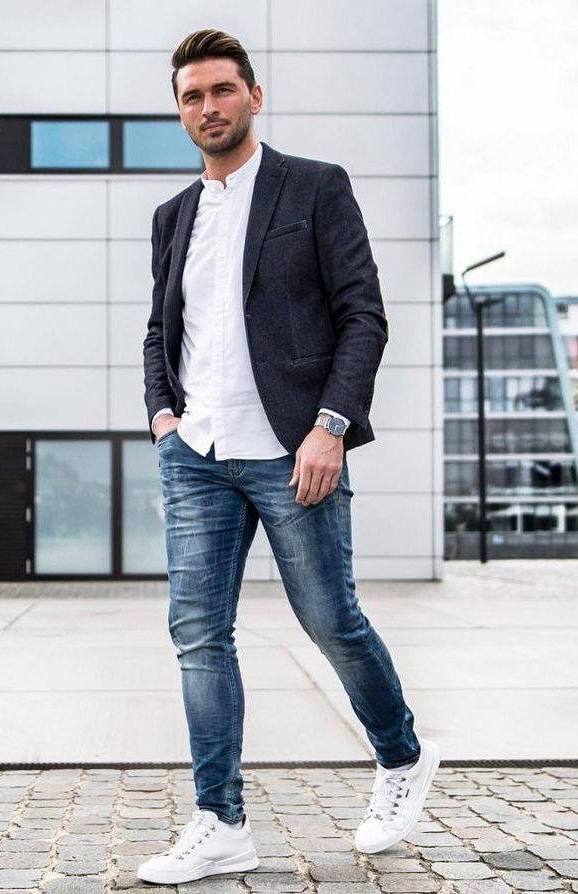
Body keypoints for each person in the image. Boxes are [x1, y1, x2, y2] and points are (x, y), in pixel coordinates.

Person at [138, 27, 440, 887]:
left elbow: (362, 314)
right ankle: (221, 821)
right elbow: (163, 331)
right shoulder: (174, 217)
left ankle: (402, 757)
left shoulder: (313, 187)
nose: (208, 108)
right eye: (192, 96)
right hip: (197, 452)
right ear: (181, 109)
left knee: (329, 621)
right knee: (198, 634)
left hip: (293, 449)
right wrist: (164, 418)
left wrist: (331, 425)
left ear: (254, 96)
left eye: (222, 90)